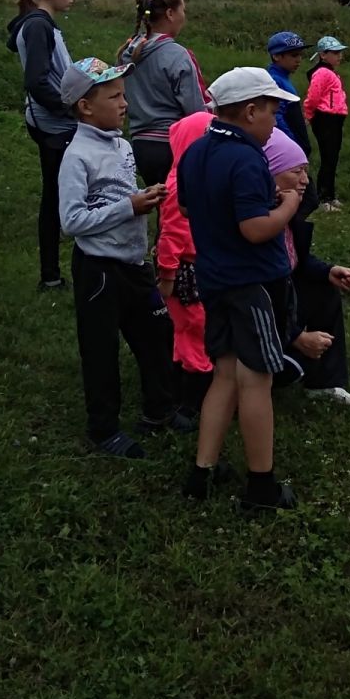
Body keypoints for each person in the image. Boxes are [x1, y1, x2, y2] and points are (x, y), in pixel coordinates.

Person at [176, 67, 303, 511]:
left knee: (225, 374)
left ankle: (202, 472)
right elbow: (254, 229)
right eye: (271, 112)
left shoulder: (195, 153)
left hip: (214, 281)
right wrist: (286, 203)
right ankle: (262, 486)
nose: (275, 123)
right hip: (252, 285)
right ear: (250, 111)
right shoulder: (248, 157)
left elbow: (193, 208)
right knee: (256, 381)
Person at [57, 57, 180, 458]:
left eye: (124, 95)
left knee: (157, 335)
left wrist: (148, 198)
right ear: (85, 106)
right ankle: (104, 429)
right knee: (101, 350)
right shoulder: (77, 157)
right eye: (114, 97)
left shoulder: (123, 145)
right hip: (99, 270)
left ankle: (160, 409)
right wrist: (130, 207)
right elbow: (72, 220)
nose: (124, 104)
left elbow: (126, 195)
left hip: (133, 264)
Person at [262, 130, 350, 405]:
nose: (306, 180)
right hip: (257, 310)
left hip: (280, 299)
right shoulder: (258, 221)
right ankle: (277, 359)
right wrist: (296, 337)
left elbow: (296, 260)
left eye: (306, 171)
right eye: (296, 172)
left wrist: (327, 270)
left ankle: (324, 382)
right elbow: (261, 287)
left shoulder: (290, 209)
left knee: (324, 288)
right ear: (270, 173)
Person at [5, 0, 79, 292]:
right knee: (57, 199)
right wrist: (71, 107)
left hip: (56, 122)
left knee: (60, 195)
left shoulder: (42, 23)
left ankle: (57, 272)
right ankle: (51, 275)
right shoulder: (38, 26)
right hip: (54, 126)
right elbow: (36, 80)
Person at [117, 0, 208, 187]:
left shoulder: (128, 52)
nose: (184, 16)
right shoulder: (177, 55)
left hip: (140, 146)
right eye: (182, 9)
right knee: (177, 213)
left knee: (160, 206)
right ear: (170, 13)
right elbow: (195, 110)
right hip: (173, 145)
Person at [156, 110, 216, 417]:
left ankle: (189, 398)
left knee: (190, 329)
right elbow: (172, 236)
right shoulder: (186, 184)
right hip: (188, 271)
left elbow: (172, 236)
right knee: (192, 329)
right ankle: (192, 397)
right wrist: (168, 275)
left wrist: (167, 274)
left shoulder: (186, 180)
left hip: (190, 270)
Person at [303, 34, 350, 211]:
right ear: (323, 54)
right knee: (328, 157)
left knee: (332, 157)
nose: (339, 56)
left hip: (335, 119)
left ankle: (330, 195)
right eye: (335, 52)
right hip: (326, 118)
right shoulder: (322, 72)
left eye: (340, 52)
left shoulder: (329, 72)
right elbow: (313, 96)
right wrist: (308, 114)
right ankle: (323, 199)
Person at [264, 30, 314, 159]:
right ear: (276, 56)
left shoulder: (283, 77)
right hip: (291, 150)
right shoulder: (274, 80)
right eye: (294, 55)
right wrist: (291, 145)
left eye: (300, 55)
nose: (299, 60)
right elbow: (277, 117)